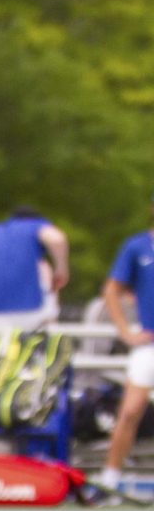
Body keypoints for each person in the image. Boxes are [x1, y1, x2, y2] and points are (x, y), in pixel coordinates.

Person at [97, 192, 154, 494]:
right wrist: (125, 331)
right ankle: (110, 478)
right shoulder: (137, 247)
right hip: (149, 344)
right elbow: (111, 290)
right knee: (130, 410)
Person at [0, 207, 70, 330]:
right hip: (33, 314)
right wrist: (61, 269)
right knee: (42, 265)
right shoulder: (34, 225)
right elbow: (57, 239)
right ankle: (51, 326)